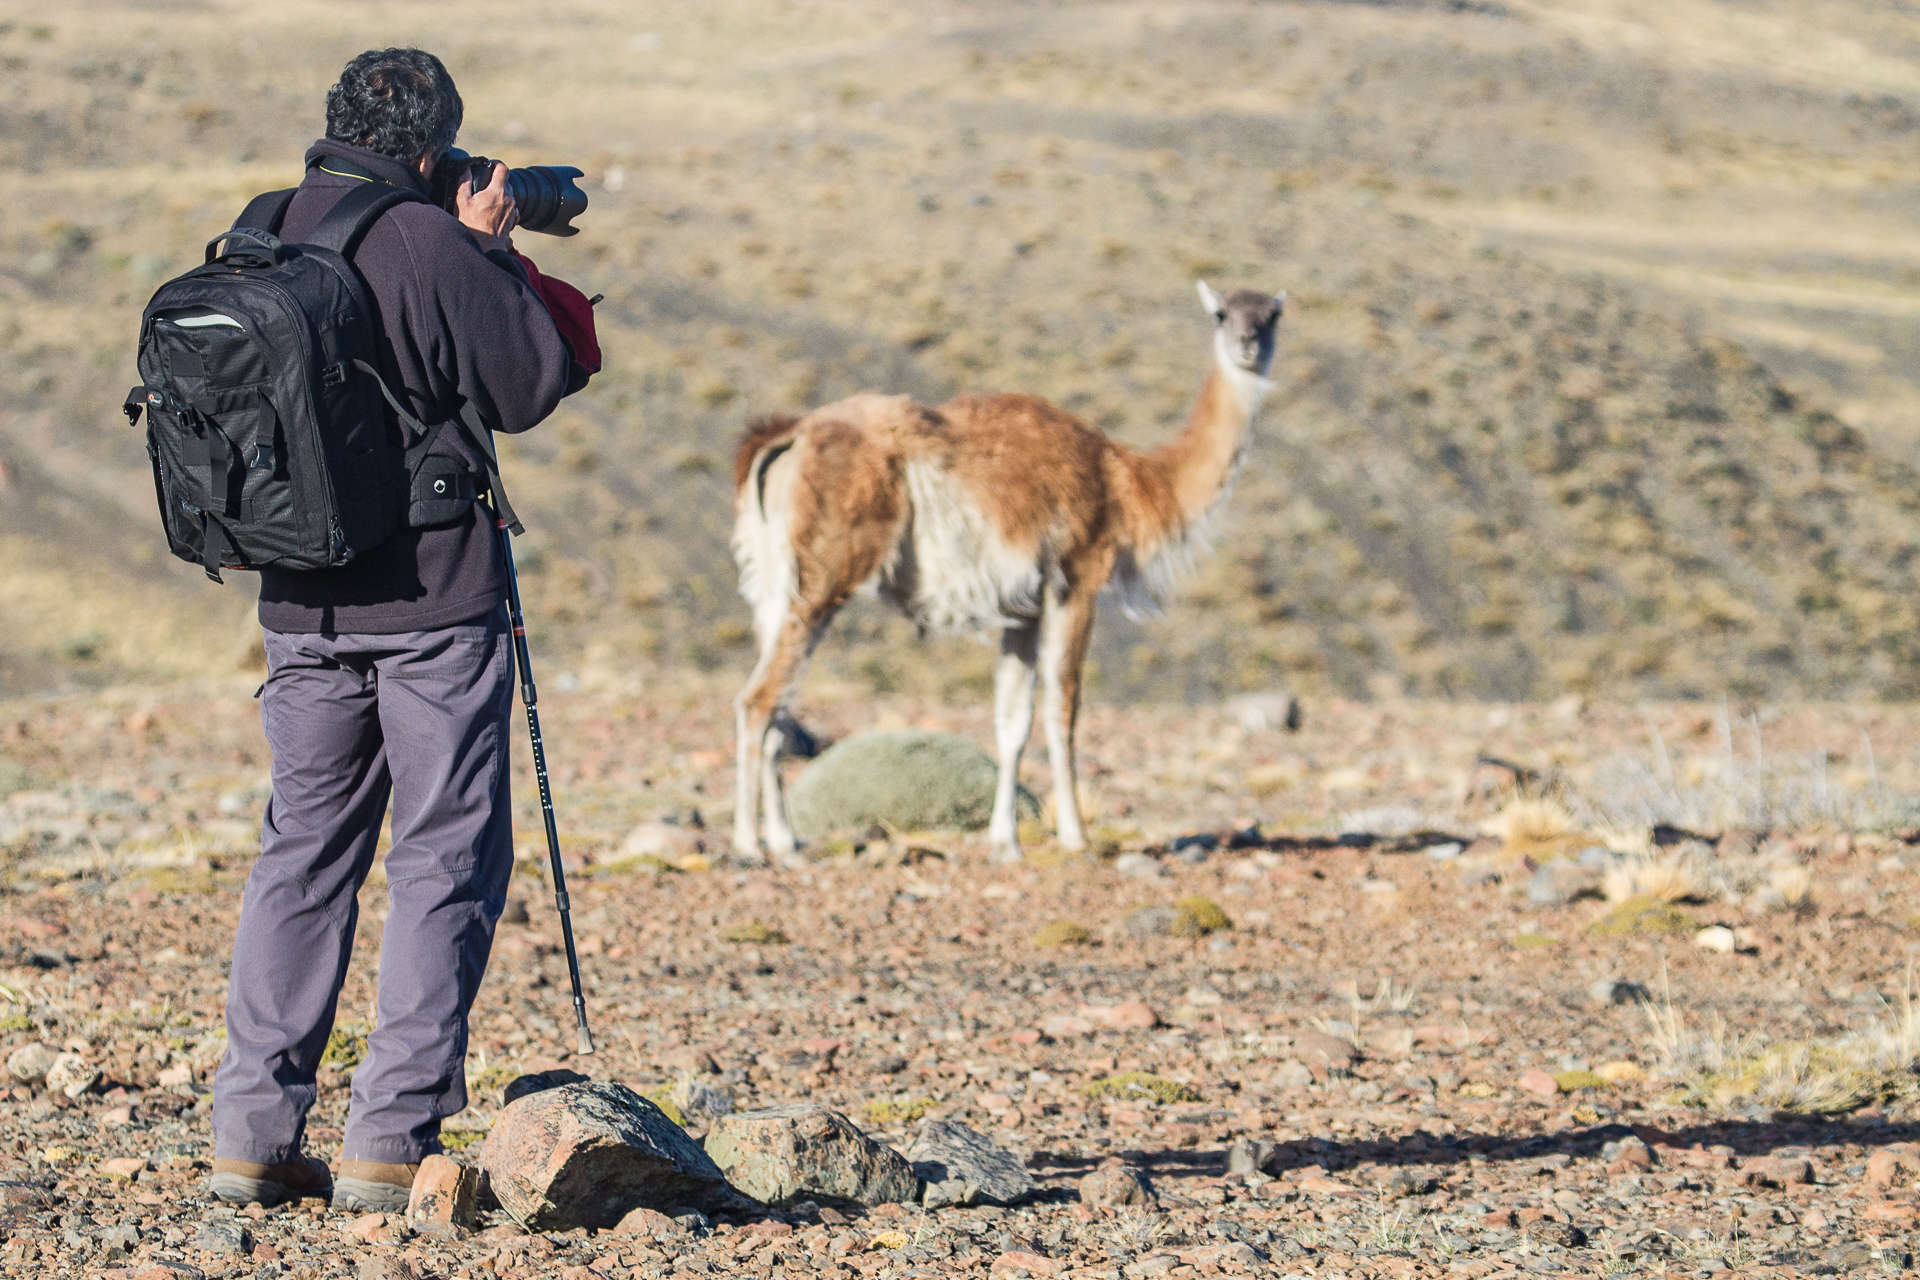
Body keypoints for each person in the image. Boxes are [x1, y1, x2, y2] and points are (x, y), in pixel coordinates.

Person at [207, 47, 579, 1212]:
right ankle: (387, 1141)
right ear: (431, 149)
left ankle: (251, 1140)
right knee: (442, 858)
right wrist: (490, 246)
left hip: (298, 606)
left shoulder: (258, 230)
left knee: (302, 857)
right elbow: (527, 385)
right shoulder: (427, 239)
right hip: (431, 601)